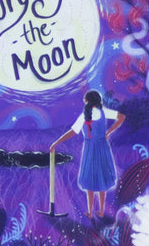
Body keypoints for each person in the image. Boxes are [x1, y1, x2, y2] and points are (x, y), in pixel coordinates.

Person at [50, 89, 125, 218]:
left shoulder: (89, 114)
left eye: (85, 98)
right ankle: (99, 211)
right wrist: (108, 132)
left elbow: (72, 131)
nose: (83, 100)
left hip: (93, 149)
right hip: (99, 148)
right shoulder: (97, 113)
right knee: (100, 178)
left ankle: (92, 212)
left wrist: (56, 143)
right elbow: (121, 117)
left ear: (89, 101)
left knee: (93, 179)